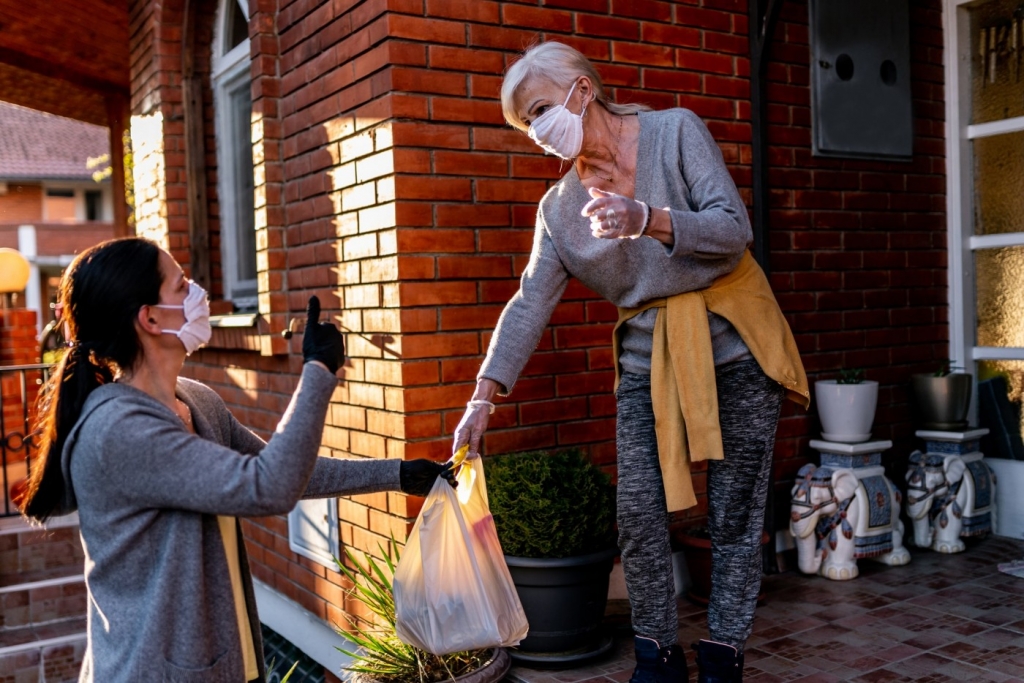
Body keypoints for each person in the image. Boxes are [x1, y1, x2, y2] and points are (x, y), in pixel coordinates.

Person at [452, 42, 808, 683]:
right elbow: (530, 300)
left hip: (735, 340)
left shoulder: (675, 132)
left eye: (537, 112)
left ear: (582, 91)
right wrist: (483, 394)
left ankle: (725, 652)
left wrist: (647, 217)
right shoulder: (559, 211)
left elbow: (733, 229)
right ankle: (657, 656)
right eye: (524, 126)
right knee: (640, 512)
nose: (536, 134)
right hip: (648, 362)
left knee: (733, 509)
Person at [21, 237, 455, 683]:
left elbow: (285, 469)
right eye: (181, 285)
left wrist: (398, 474)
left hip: (224, 662)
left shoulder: (196, 401)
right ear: (149, 318)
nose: (198, 294)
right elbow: (269, 486)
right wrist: (318, 372)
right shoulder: (120, 430)